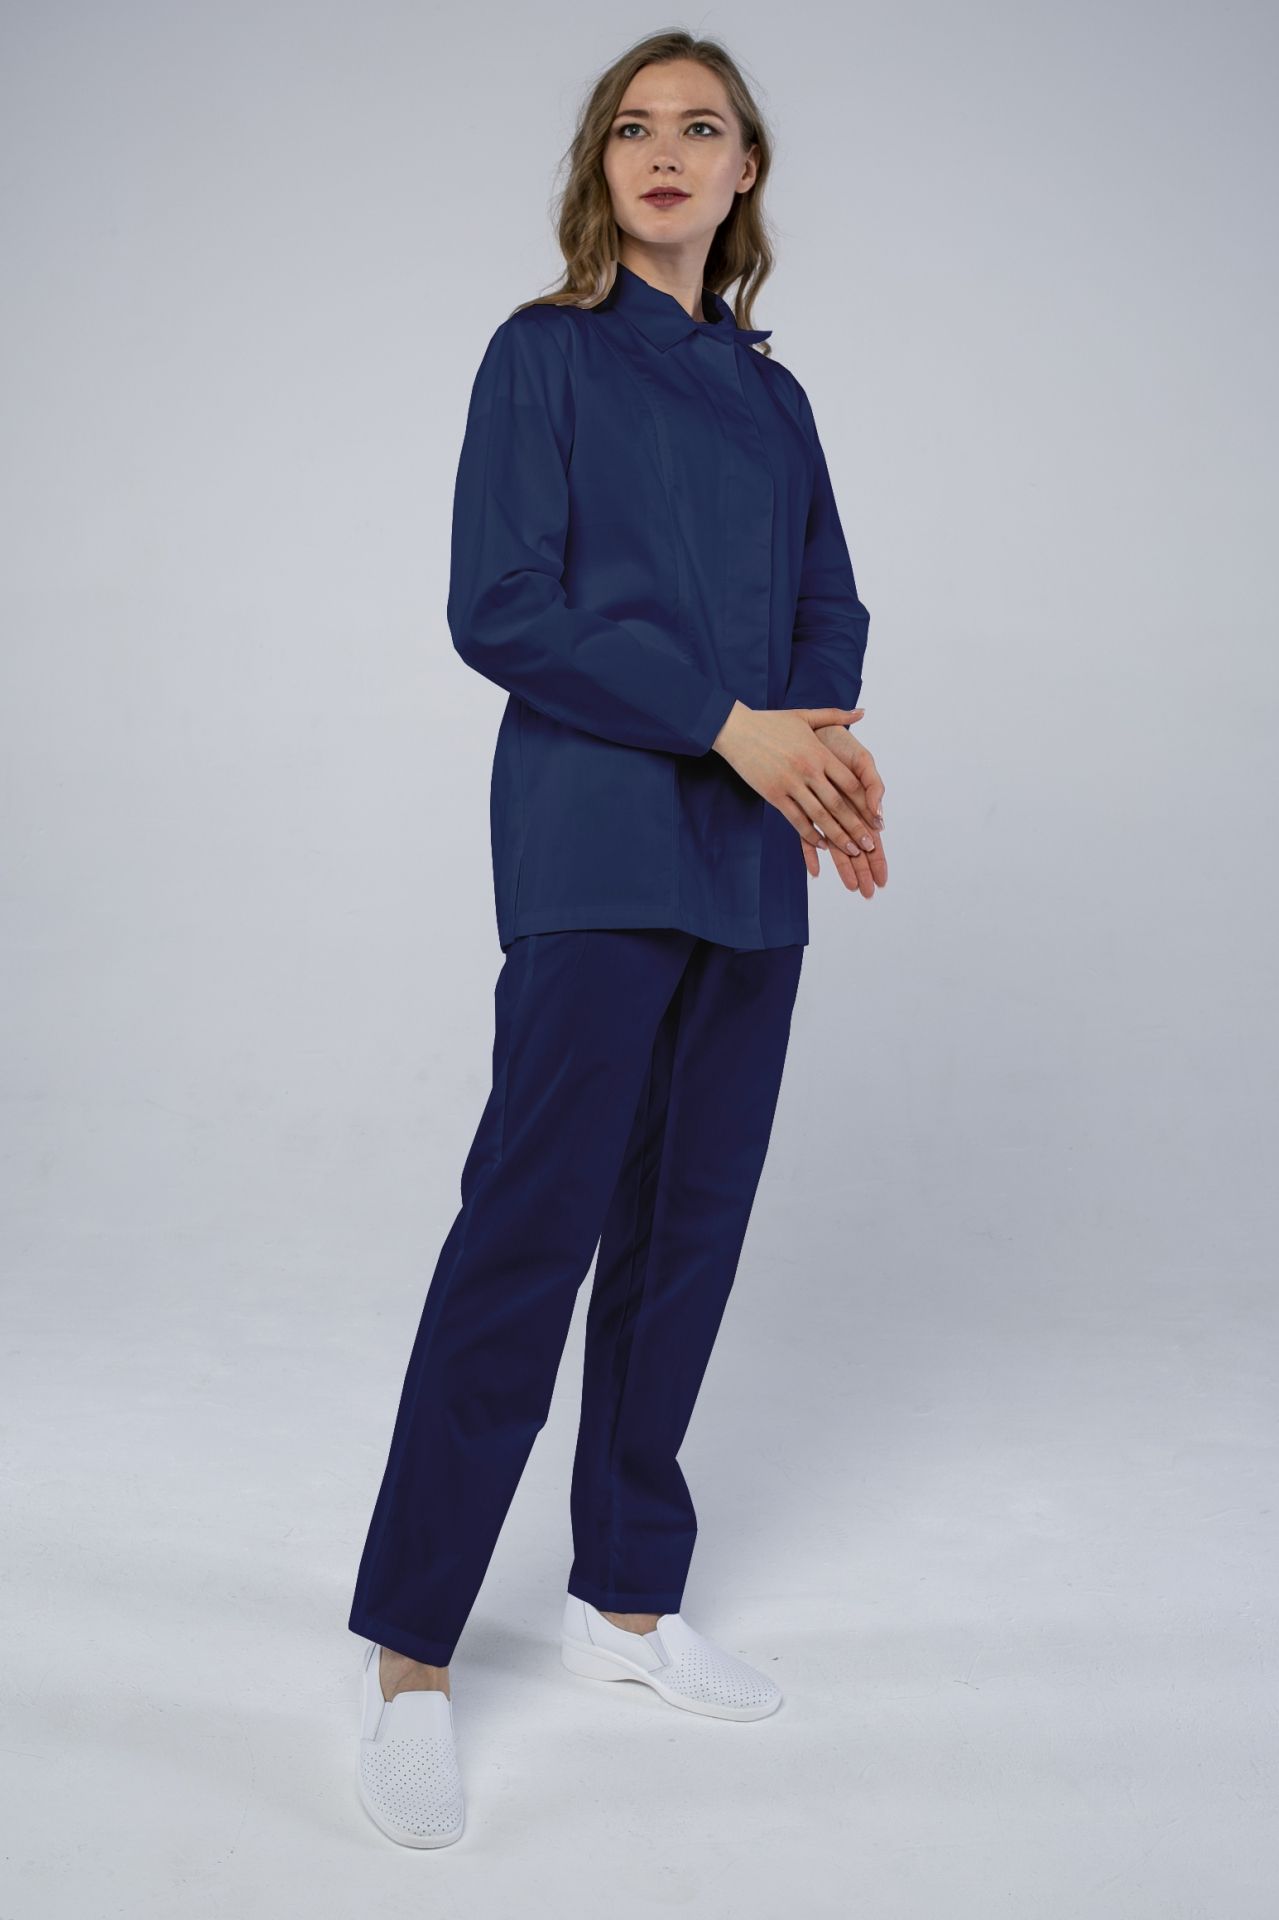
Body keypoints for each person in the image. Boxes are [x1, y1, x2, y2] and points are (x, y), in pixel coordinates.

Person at [349, 28, 887, 1848]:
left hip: (749, 860)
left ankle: (627, 1600)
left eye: (702, 126)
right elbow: (498, 606)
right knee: (531, 1229)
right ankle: (410, 1657)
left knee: (688, 1235)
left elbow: (829, 599)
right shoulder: (543, 356)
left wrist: (818, 750)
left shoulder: (773, 397)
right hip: (594, 842)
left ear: (745, 172)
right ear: (603, 165)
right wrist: (730, 727)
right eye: (635, 126)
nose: (667, 150)